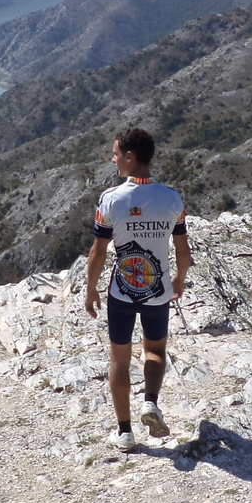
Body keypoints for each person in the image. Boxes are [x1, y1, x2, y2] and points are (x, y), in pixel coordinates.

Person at [84, 128, 191, 450]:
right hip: (157, 290)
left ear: (130, 157)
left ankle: (125, 432)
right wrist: (179, 279)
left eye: (116, 153)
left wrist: (90, 289)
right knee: (155, 350)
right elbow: (183, 250)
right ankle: (150, 403)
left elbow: (98, 252)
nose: (113, 159)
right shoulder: (172, 199)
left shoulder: (111, 199)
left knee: (119, 360)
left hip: (122, 291)